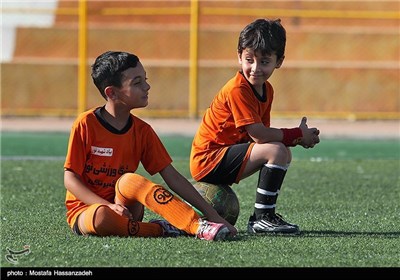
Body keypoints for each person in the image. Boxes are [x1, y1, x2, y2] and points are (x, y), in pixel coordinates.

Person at [63, 51, 237, 241]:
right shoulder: (86, 124)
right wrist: (108, 206)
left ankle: (196, 225)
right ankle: (158, 229)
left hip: (128, 208)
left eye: (145, 79)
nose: (147, 86)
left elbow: (173, 178)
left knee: (129, 180)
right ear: (111, 92)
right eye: (137, 83)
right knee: (102, 218)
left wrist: (212, 215)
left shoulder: (142, 131)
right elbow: (70, 179)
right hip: (87, 210)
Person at [190, 18, 320, 235]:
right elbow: (259, 135)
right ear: (239, 56)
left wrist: (297, 138)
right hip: (208, 159)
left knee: (282, 151)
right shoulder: (237, 89)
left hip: (223, 155)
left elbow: (263, 135)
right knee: (277, 150)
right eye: (249, 59)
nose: (255, 68)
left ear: (279, 61)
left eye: (265, 61)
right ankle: (262, 219)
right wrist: (298, 135)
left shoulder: (266, 90)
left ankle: (265, 215)